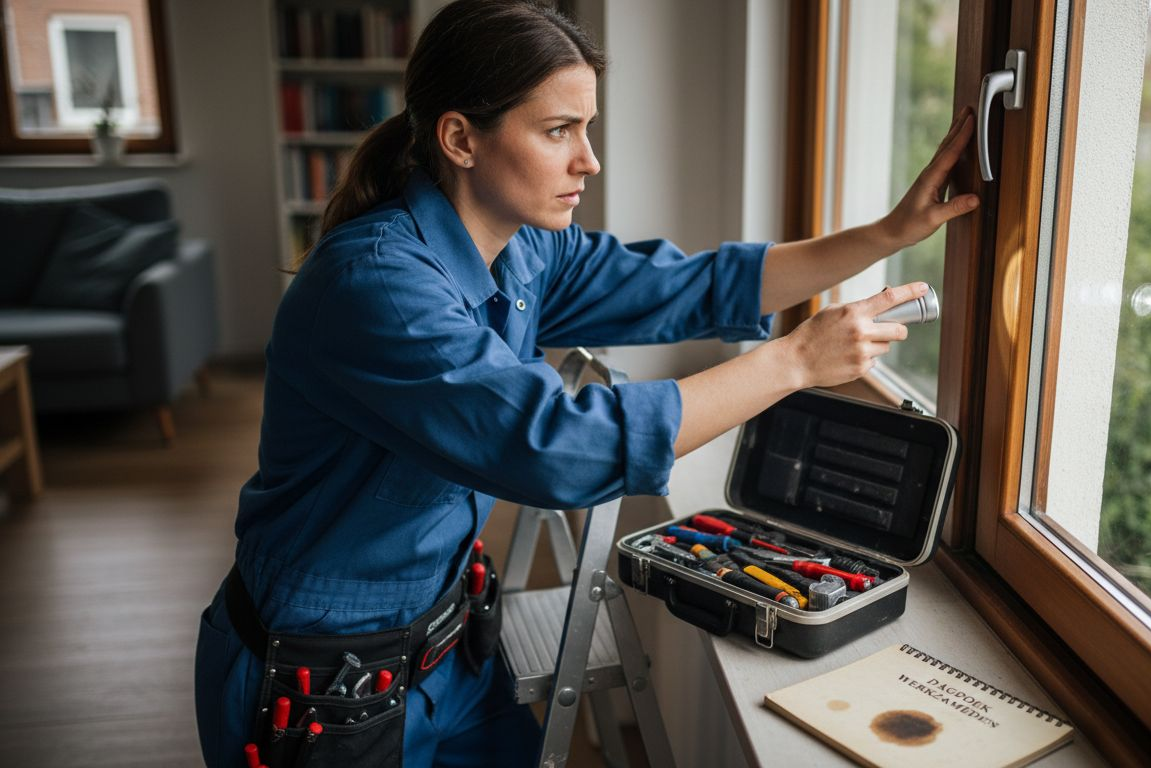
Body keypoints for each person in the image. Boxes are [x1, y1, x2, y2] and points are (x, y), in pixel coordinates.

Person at [193, 1, 978, 766]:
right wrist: (796, 362)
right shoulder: (378, 286)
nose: (589, 160)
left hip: (451, 649)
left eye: (587, 128)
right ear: (460, 138)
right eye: (558, 130)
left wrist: (885, 235)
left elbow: (693, 286)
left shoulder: (524, 249)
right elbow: (560, 447)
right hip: (323, 691)